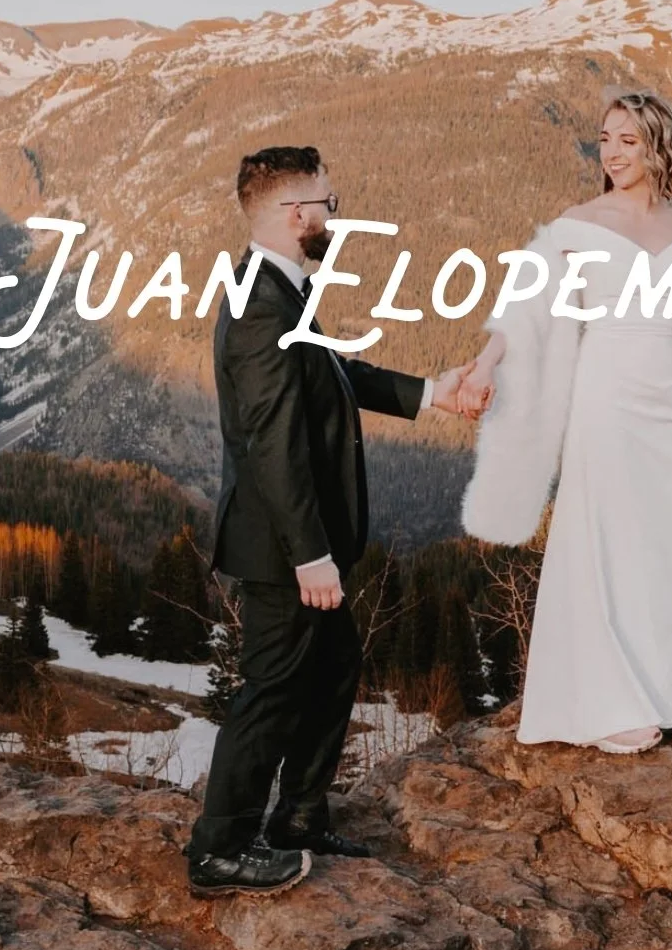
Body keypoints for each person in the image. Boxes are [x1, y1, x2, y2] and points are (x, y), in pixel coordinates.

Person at [186, 146, 476, 897]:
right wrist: (309, 554)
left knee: (334, 664)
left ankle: (300, 816)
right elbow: (273, 444)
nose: (336, 217)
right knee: (273, 687)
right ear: (296, 215)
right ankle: (219, 849)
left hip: (295, 543)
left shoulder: (278, 289)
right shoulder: (261, 307)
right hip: (281, 547)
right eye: (329, 205)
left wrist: (434, 393)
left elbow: (336, 373)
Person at [455, 90, 672, 754]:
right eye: (605, 139)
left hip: (668, 399)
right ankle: (607, 703)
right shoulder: (580, 222)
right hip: (606, 396)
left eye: (628, 140)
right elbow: (528, 304)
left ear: (658, 146)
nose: (613, 153)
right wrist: (485, 365)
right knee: (612, 537)